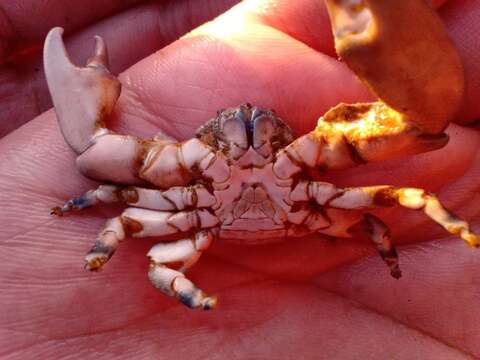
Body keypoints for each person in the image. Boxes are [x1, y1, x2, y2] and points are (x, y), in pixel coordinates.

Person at [0, 0, 478, 358]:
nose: (248, 130)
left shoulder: (299, 159)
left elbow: (395, 181)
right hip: (258, 222)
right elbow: (109, 186)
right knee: (139, 239)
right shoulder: (192, 170)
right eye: (228, 131)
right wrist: (96, 224)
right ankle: (192, 296)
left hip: (247, 222)